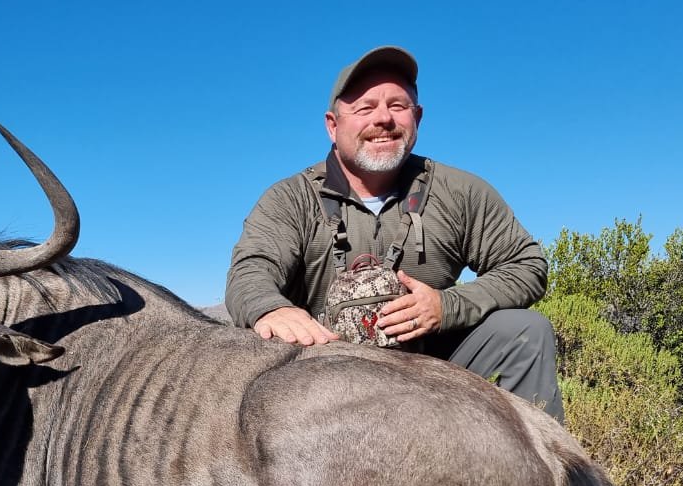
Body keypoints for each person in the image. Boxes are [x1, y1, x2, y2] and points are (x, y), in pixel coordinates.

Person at [226, 46, 563, 421]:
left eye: (398, 106)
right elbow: (250, 271)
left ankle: (543, 475)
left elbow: (526, 264)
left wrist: (446, 306)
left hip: (430, 369)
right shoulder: (290, 198)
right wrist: (272, 308)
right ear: (333, 125)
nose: (383, 119)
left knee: (525, 333)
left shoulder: (460, 191)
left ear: (417, 117)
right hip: (320, 378)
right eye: (365, 108)